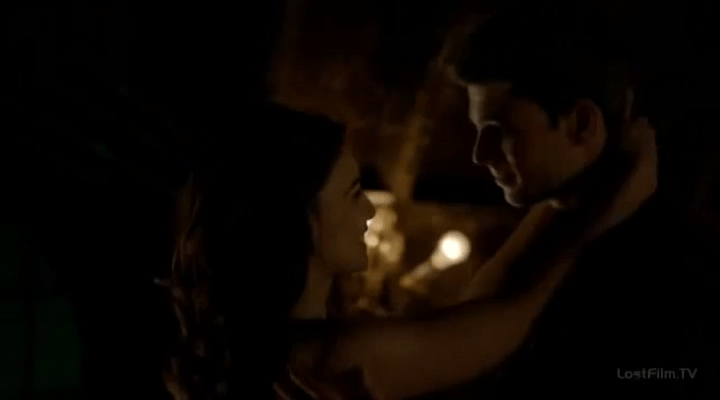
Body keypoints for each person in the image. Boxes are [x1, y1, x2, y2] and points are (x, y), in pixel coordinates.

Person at [161, 101, 601, 400]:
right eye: (354, 193)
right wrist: (591, 192)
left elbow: (485, 307)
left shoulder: (251, 347)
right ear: (299, 218)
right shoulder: (335, 355)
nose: (370, 210)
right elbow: (508, 318)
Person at [410, 1, 716, 398]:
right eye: (478, 130)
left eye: (501, 129)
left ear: (581, 124)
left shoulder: (670, 268)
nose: (479, 155)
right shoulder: (553, 233)